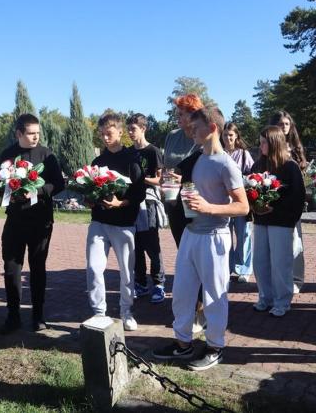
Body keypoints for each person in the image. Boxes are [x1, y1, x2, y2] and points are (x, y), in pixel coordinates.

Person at [153, 106, 249, 371]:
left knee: (215, 295)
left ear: (213, 128)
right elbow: (187, 186)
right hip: (191, 234)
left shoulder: (226, 164)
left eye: (196, 128)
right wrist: (172, 185)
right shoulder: (198, 158)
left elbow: (243, 207)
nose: (190, 131)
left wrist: (210, 208)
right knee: (182, 293)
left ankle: (215, 347)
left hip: (215, 237)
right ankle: (182, 344)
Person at [0, 113, 64, 334]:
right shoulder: (7, 155)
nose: (36, 137)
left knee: (37, 269)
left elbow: (59, 183)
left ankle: (38, 316)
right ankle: (13, 315)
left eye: (38, 133)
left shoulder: (46, 154)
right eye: (31, 133)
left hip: (40, 221)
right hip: (15, 220)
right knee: (11, 268)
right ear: (19, 133)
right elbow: (0, 183)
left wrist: (37, 190)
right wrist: (11, 192)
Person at [86, 112, 145, 331]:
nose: (105, 137)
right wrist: (89, 201)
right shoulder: (98, 161)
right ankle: (99, 312)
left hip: (123, 224)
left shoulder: (132, 159)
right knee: (94, 268)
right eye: (101, 134)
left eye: (109, 133)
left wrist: (120, 203)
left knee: (126, 272)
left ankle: (126, 312)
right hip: (99, 222)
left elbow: (139, 193)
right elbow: (91, 191)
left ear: (120, 132)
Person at [251, 126, 305, 317]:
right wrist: (255, 207)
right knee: (260, 262)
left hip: (281, 223)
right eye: (260, 142)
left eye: (264, 142)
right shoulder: (258, 166)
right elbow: (249, 192)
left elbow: (298, 198)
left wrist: (278, 210)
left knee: (281, 263)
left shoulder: (290, 167)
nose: (261, 145)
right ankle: (265, 297)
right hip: (260, 221)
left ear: (274, 143)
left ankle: (282, 301)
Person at [126, 113, 166, 303]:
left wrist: (141, 179)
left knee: (151, 243)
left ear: (143, 128)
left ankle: (158, 284)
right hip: (132, 202)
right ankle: (140, 283)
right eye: (128, 129)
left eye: (133, 129)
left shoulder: (153, 151)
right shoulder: (128, 152)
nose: (130, 132)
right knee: (136, 246)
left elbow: (160, 179)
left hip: (148, 202)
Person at [270, 111, 306, 293]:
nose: (284, 127)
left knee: (295, 240)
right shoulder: (268, 146)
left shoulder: (295, 148)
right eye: (280, 123)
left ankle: (297, 279)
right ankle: (278, 279)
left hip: (292, 202)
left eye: (287, 124)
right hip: (273, 203)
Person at [163, 94, 203, 245]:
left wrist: (184, 179)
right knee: (181, 245)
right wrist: (163, 180)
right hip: (172, 197)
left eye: (181, 114)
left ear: (193, 113)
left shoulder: (202, 136)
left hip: (194, 196)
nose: (177, 117)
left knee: (195, 245)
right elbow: (167, 166)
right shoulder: (172, 136)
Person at [221, 122, 254, 282]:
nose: (228, 138)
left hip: (240, 202)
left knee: (243, 235)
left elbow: (253, 175)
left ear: (236, 137)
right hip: (223, 203)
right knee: (225, 235)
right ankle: (226, 266)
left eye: (231, 135)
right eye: (225, 135)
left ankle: (244, 268)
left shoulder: (243, 154)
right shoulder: (218, 153)